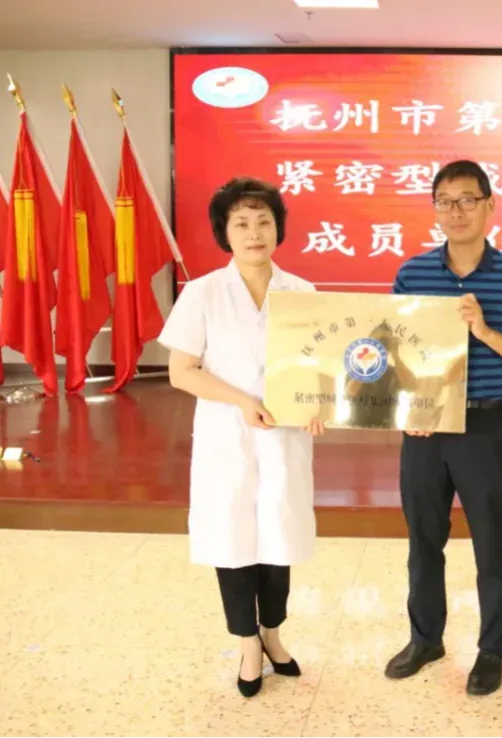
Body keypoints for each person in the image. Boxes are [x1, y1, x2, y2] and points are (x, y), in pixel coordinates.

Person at [383, 160, 502, 696]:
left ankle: (492, 650)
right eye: (445, 202)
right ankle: (425, 638)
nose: (456, 211)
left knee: (491, 543)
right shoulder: (412, 273)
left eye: (467, 200)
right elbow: (391, 350)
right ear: (435, 209)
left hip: (485, 423)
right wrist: (409, 407)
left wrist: (484, 330)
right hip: (424, 426)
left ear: (489, 205)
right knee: (423, 539)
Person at [158, 177, 326, 698]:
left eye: (264, 221)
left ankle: (273, 634)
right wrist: (242, 401)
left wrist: (319, 403)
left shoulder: (303, 293)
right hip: (226, 436)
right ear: (224, 233)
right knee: (231, 541)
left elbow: (319, 367)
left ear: (278, 229)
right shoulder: (202, 293)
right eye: (242, 223)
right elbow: (182, 372)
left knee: (279, 537)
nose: (255, 233)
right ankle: (247, 643)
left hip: (285, 436)